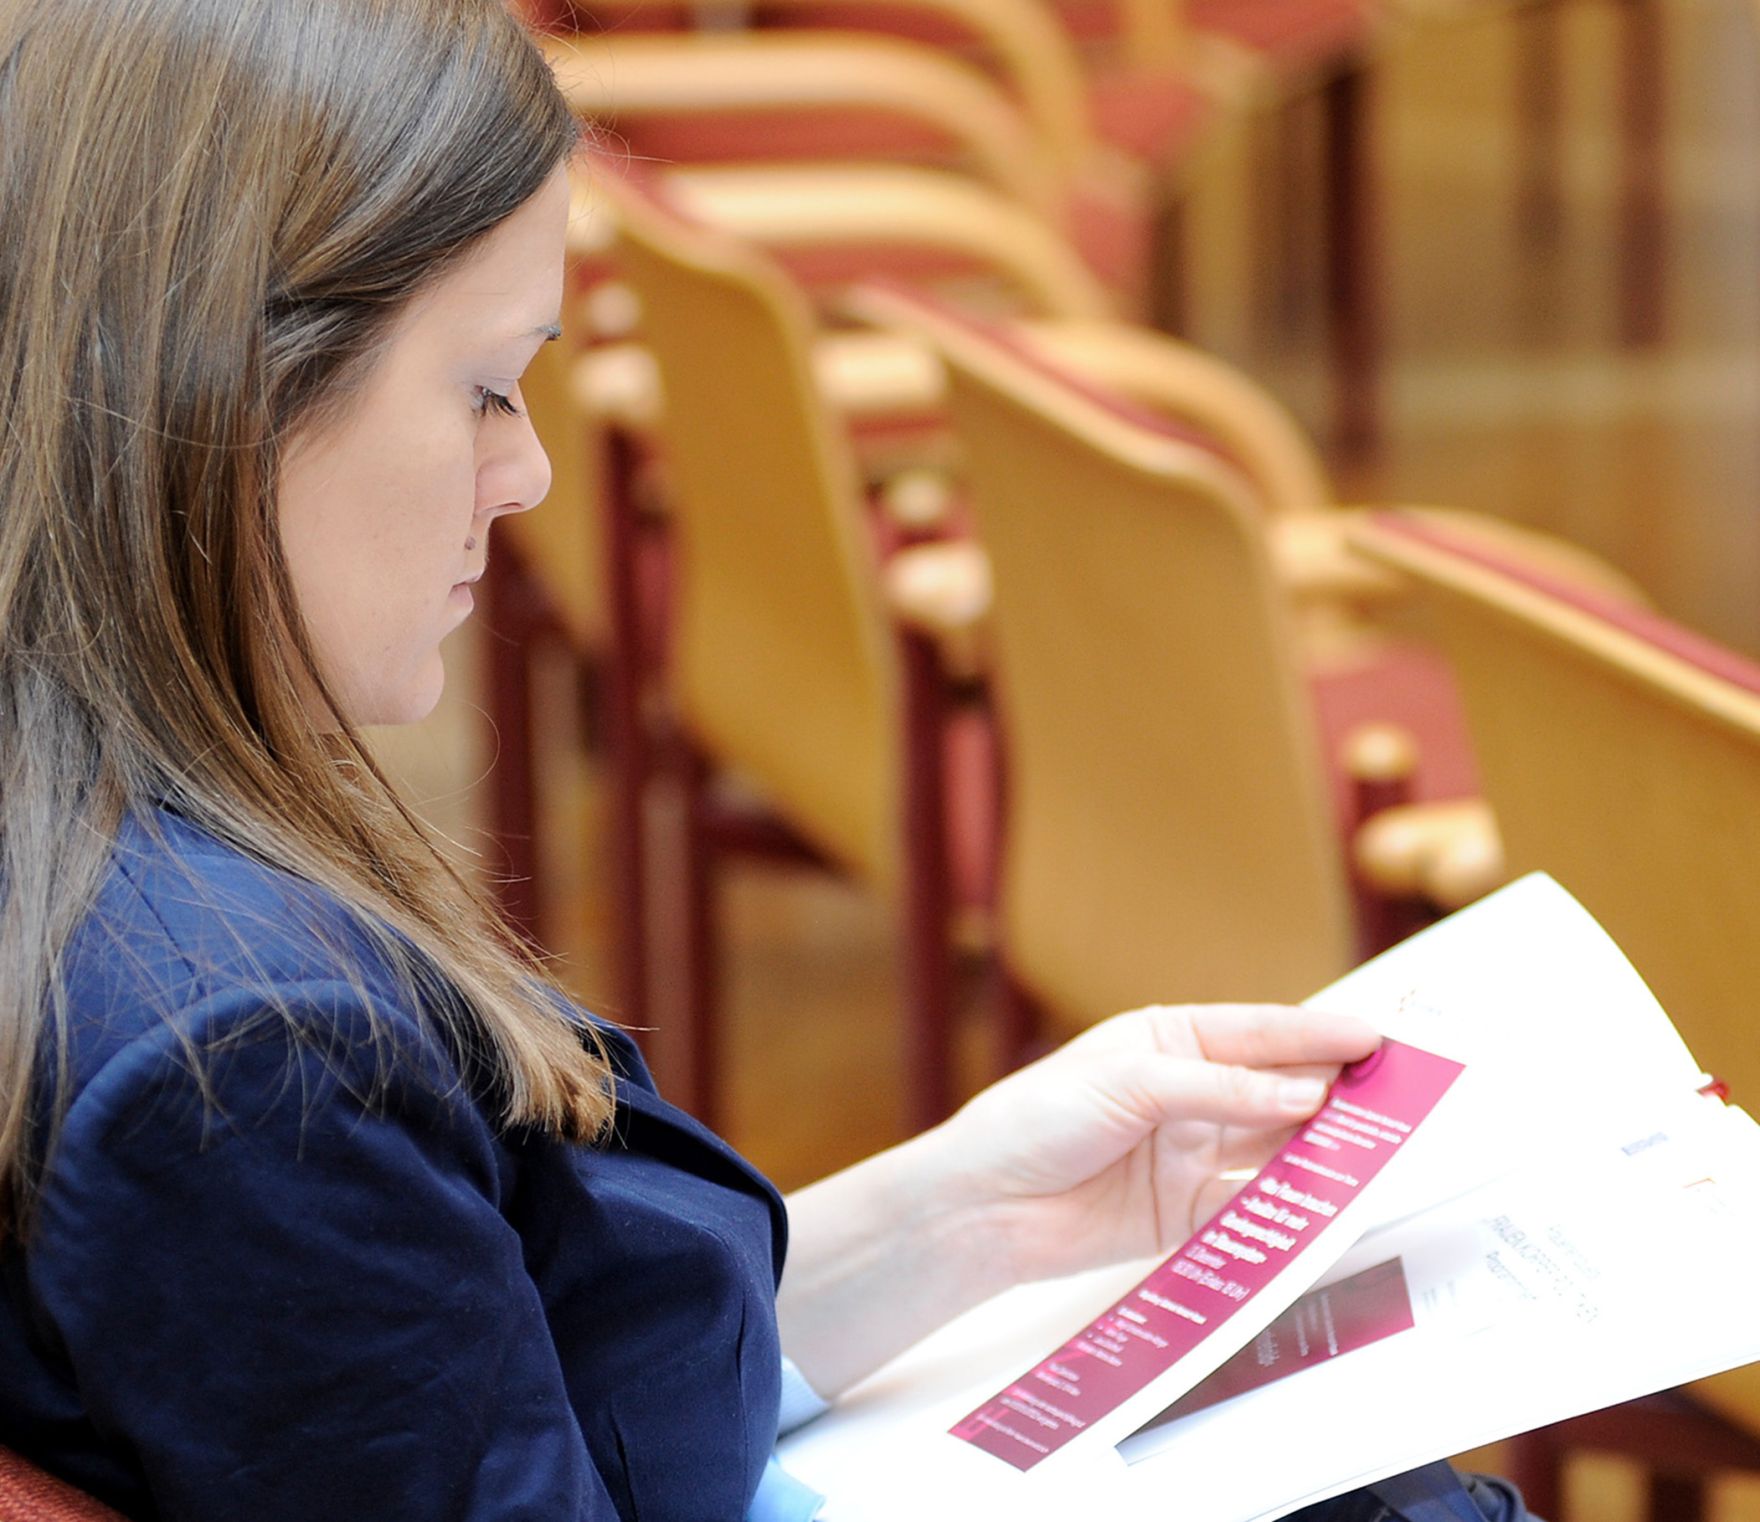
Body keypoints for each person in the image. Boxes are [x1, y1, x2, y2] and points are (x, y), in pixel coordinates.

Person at [0, 2, 1533, 1518]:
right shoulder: (241, 1059)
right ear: (228, 394)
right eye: (482, 387)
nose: (526, 468)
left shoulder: (112, 849)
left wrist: (971, 1210)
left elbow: (514, 1386)